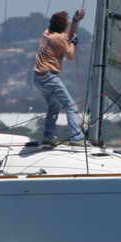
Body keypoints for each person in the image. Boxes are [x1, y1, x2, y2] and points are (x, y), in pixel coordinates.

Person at [33, 8, 85, 144]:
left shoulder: (47, 33)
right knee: (71, 106)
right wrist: (73, 43)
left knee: (54, 106)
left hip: (37, 78)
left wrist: (75, 21)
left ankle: (48, 137)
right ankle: (77, 138)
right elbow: (70, 55)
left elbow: (67, 36)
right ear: (63, 26)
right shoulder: (59, 39)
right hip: (49, 77)